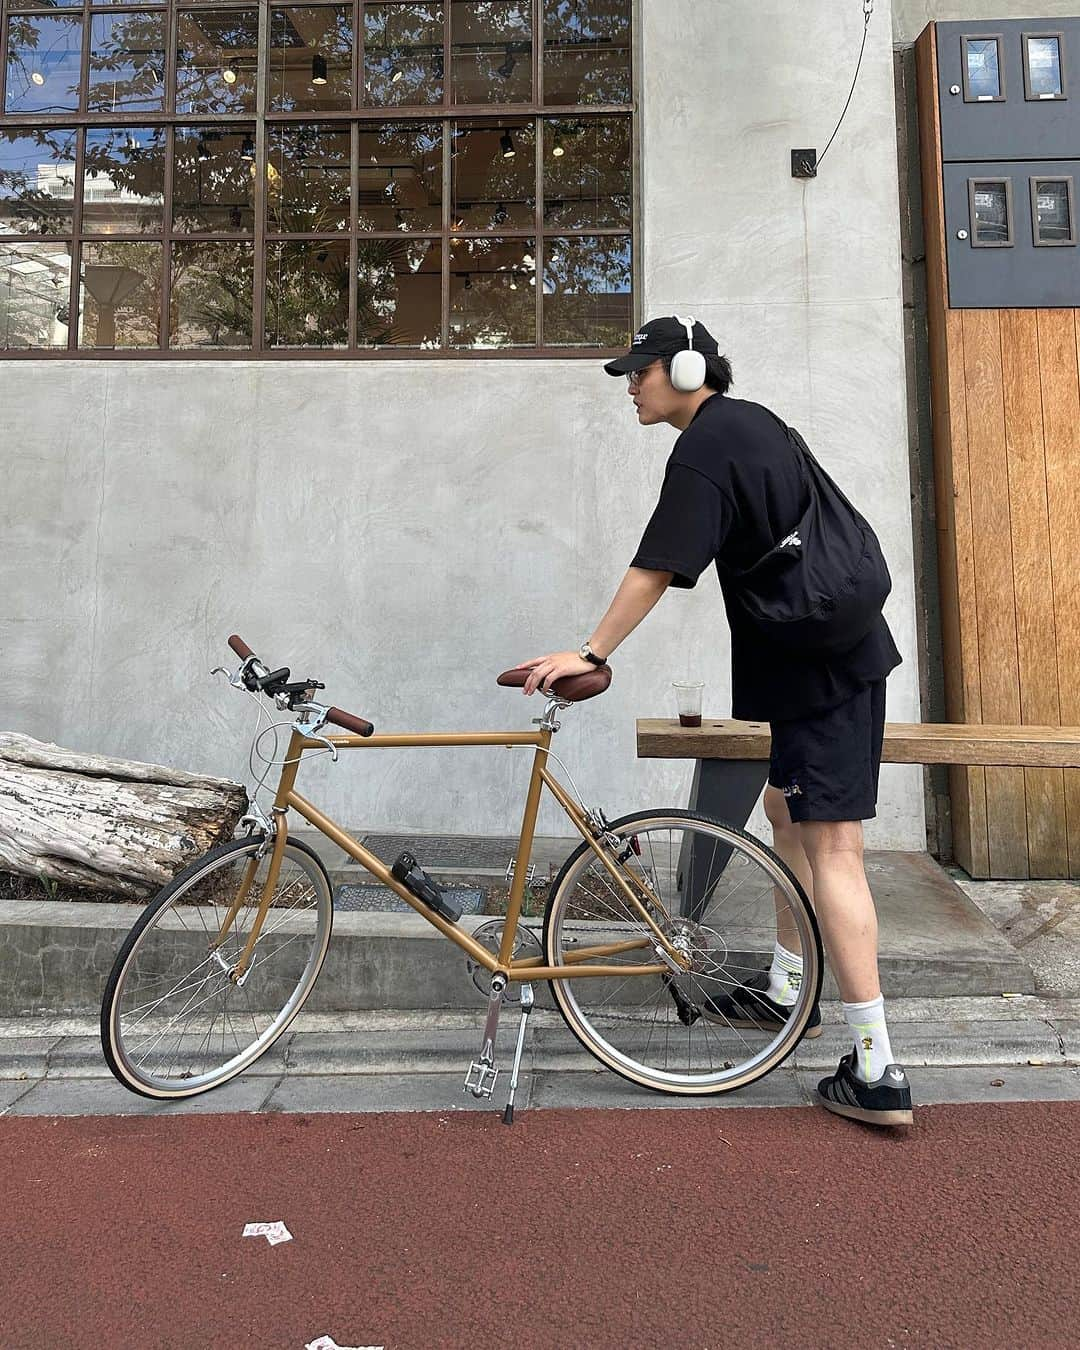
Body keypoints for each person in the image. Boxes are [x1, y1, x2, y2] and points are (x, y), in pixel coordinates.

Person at [514, 315, 913, 1128]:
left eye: (640, 373)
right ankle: (785, 990)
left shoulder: (704, 446)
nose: (631, 388)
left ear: (686, 369)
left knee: (835, 845)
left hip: (819, 668)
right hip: (838, 652)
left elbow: (657, 567)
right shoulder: (754, 423)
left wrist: (590, 651)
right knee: (783, 810)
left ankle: (877, 1067)